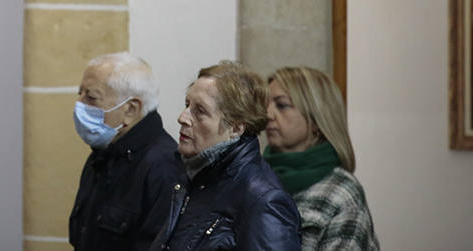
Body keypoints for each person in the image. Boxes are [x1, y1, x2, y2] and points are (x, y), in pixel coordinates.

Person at [152, 60, 301, 250]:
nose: (182, 117)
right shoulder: (195, 177)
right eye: (187, 104)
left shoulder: (263, 200)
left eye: (200, 111)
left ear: (236, 128)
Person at [68, 53, 182, 250]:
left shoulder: (163, 167)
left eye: (91, 98)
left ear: (130, 109)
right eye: (80, 93)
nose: (80, 104)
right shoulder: (103, 154)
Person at [263, 67, 378, 250]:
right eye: (266, 105)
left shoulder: (341, 193)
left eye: (282, 105)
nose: (268, 115)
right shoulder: (255, 179)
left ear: (316, 119)